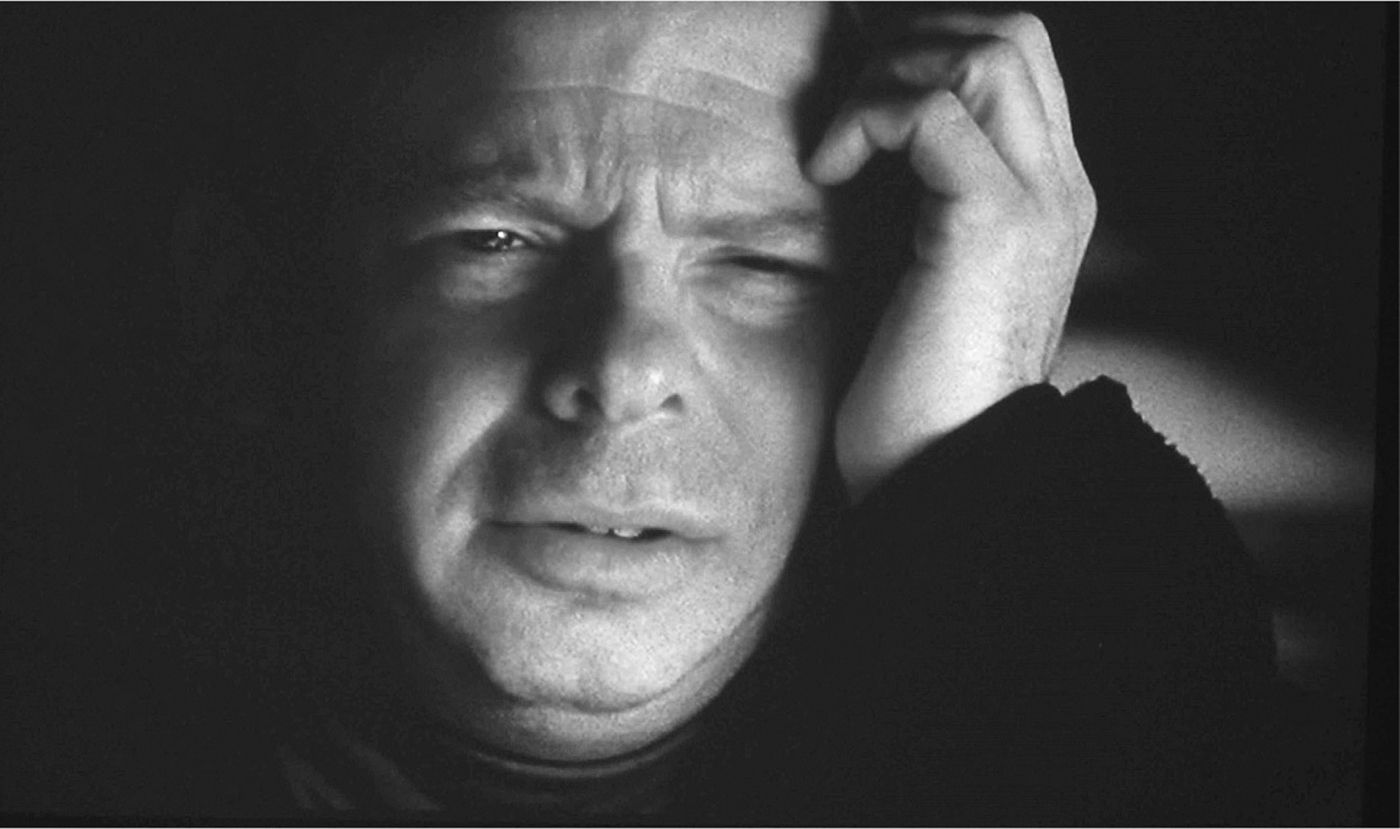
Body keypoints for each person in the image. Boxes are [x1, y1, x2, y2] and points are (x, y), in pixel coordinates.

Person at [141, 3, 1307, 822]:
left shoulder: (1106, 721)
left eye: (759, 263)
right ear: (253, 319)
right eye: (495, 239)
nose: (620, 367)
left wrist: (974, 463)